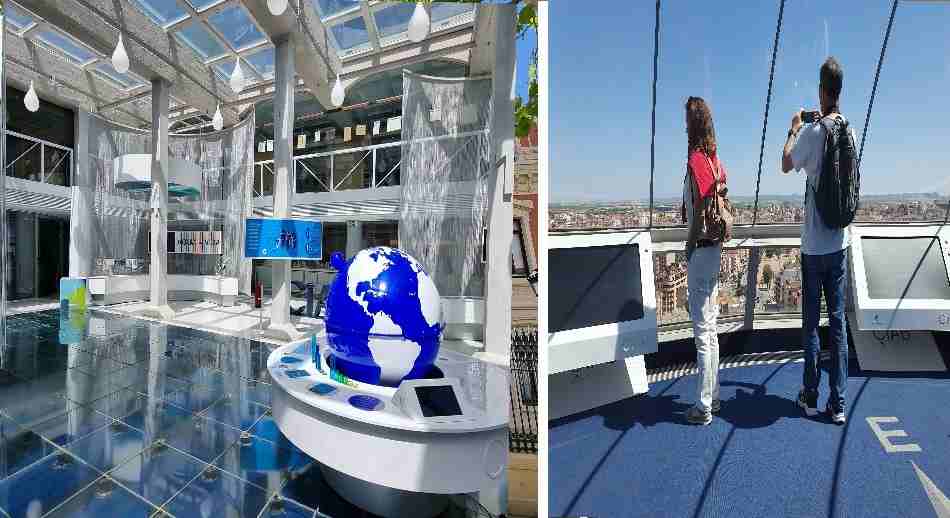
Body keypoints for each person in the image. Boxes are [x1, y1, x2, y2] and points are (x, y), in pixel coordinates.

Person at [781, 56, 854, 425]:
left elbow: (785, 163)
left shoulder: (812, 133)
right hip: (839, 243)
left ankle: (810, 395)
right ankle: (838, 403)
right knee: (837, 324)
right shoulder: (848, 130)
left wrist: (793, 127)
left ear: (822, 90)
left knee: (812, 324)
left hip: (813, 247)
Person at [682, 96, 727, 426]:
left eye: (687, 119)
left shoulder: (697, 159)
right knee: (711, 328)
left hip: (702, 248)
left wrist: (688, 246)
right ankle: (714, 395)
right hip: (716, 248)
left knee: (702, 331)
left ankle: (703, 406)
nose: (683, 125)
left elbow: (699, 208)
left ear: (693, 124)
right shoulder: (715, 160)